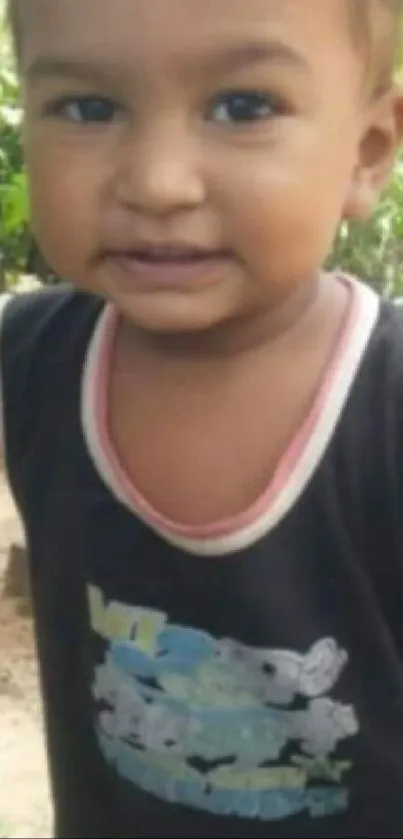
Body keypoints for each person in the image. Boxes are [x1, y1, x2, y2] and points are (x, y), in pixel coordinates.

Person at [3, 0, 403, 835]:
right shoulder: (32, 359)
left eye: (243, 107)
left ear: (366, 154)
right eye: (89, 108)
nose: (156, 182)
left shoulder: (384, 408)